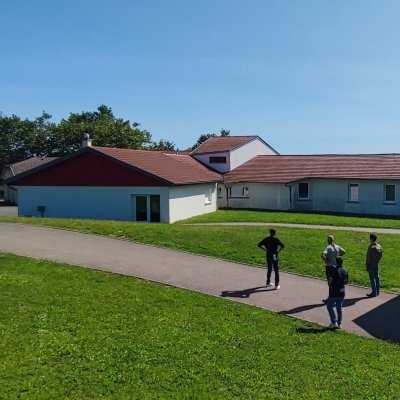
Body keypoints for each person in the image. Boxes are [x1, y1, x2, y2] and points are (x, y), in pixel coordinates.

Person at [321, 235, 346, 303]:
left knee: (330, 284)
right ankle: (335, 297)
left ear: (328, 240)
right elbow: (344, 251)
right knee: (336, 283)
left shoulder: (328, 248)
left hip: (330, 267)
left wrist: (325, 259)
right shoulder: (337, 246)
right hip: (337, 267)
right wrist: (338, 256)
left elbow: (323, 254)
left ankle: (331, 298)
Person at [326, 257, 349, 329]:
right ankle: (339, 324)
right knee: (339, 308)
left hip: (334, 292)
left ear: (336, 262)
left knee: (329, 306)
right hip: (342, 292)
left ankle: (333, 322)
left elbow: (330, 282)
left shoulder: (333, 270)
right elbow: (346, 281)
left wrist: (330, 285)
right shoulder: (345, 271)